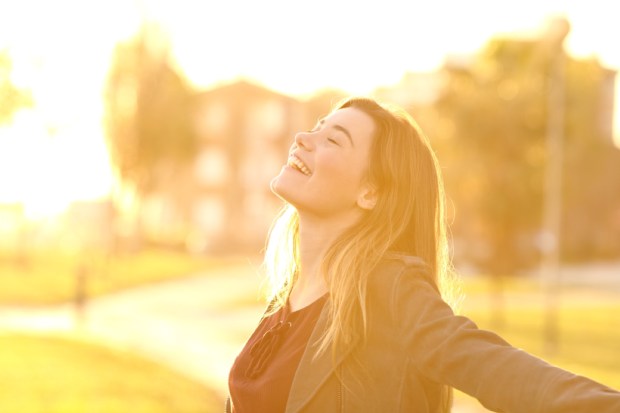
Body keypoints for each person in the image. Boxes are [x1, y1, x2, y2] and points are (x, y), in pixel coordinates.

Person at [227, 97, 620, 412]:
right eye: (317, 128)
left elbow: (489, 364)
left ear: (370, 192)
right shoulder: (287, 297)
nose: (302, 137)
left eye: (333, 140)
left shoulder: (388, 287)